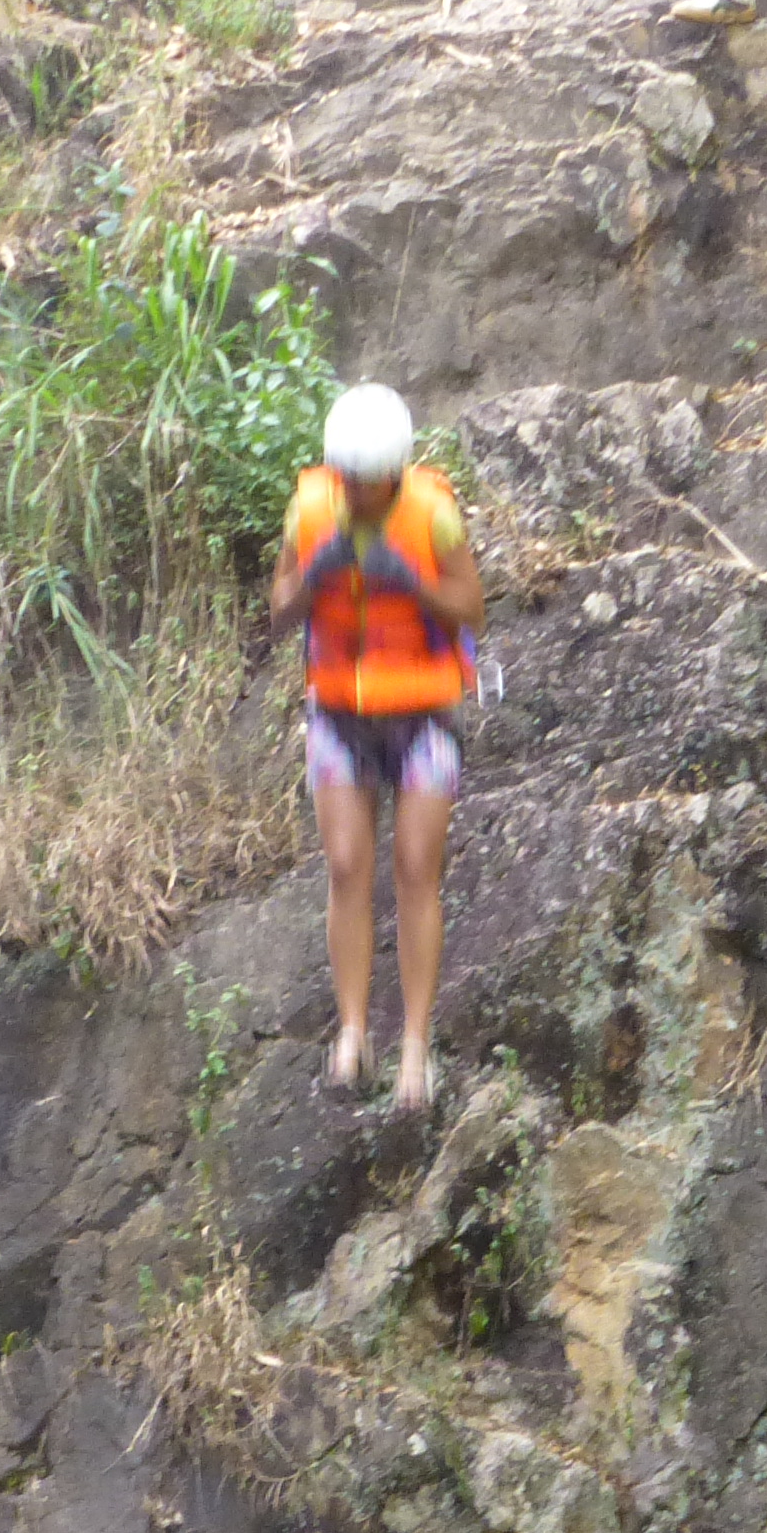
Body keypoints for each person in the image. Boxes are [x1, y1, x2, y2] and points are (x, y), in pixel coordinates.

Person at [269, 383, 483, 1113]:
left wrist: (414, 581)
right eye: (345, 481)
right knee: (346, 864)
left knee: (418, 868)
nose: (354, 494)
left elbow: (472, 606)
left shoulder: (435, 514)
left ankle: (416, 1046)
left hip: (423, 712)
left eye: (367, 483)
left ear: (394, 474)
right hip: (339, 709)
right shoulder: (310, 511)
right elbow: (277, 610)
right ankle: (354, 1032)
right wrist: (315, 573)